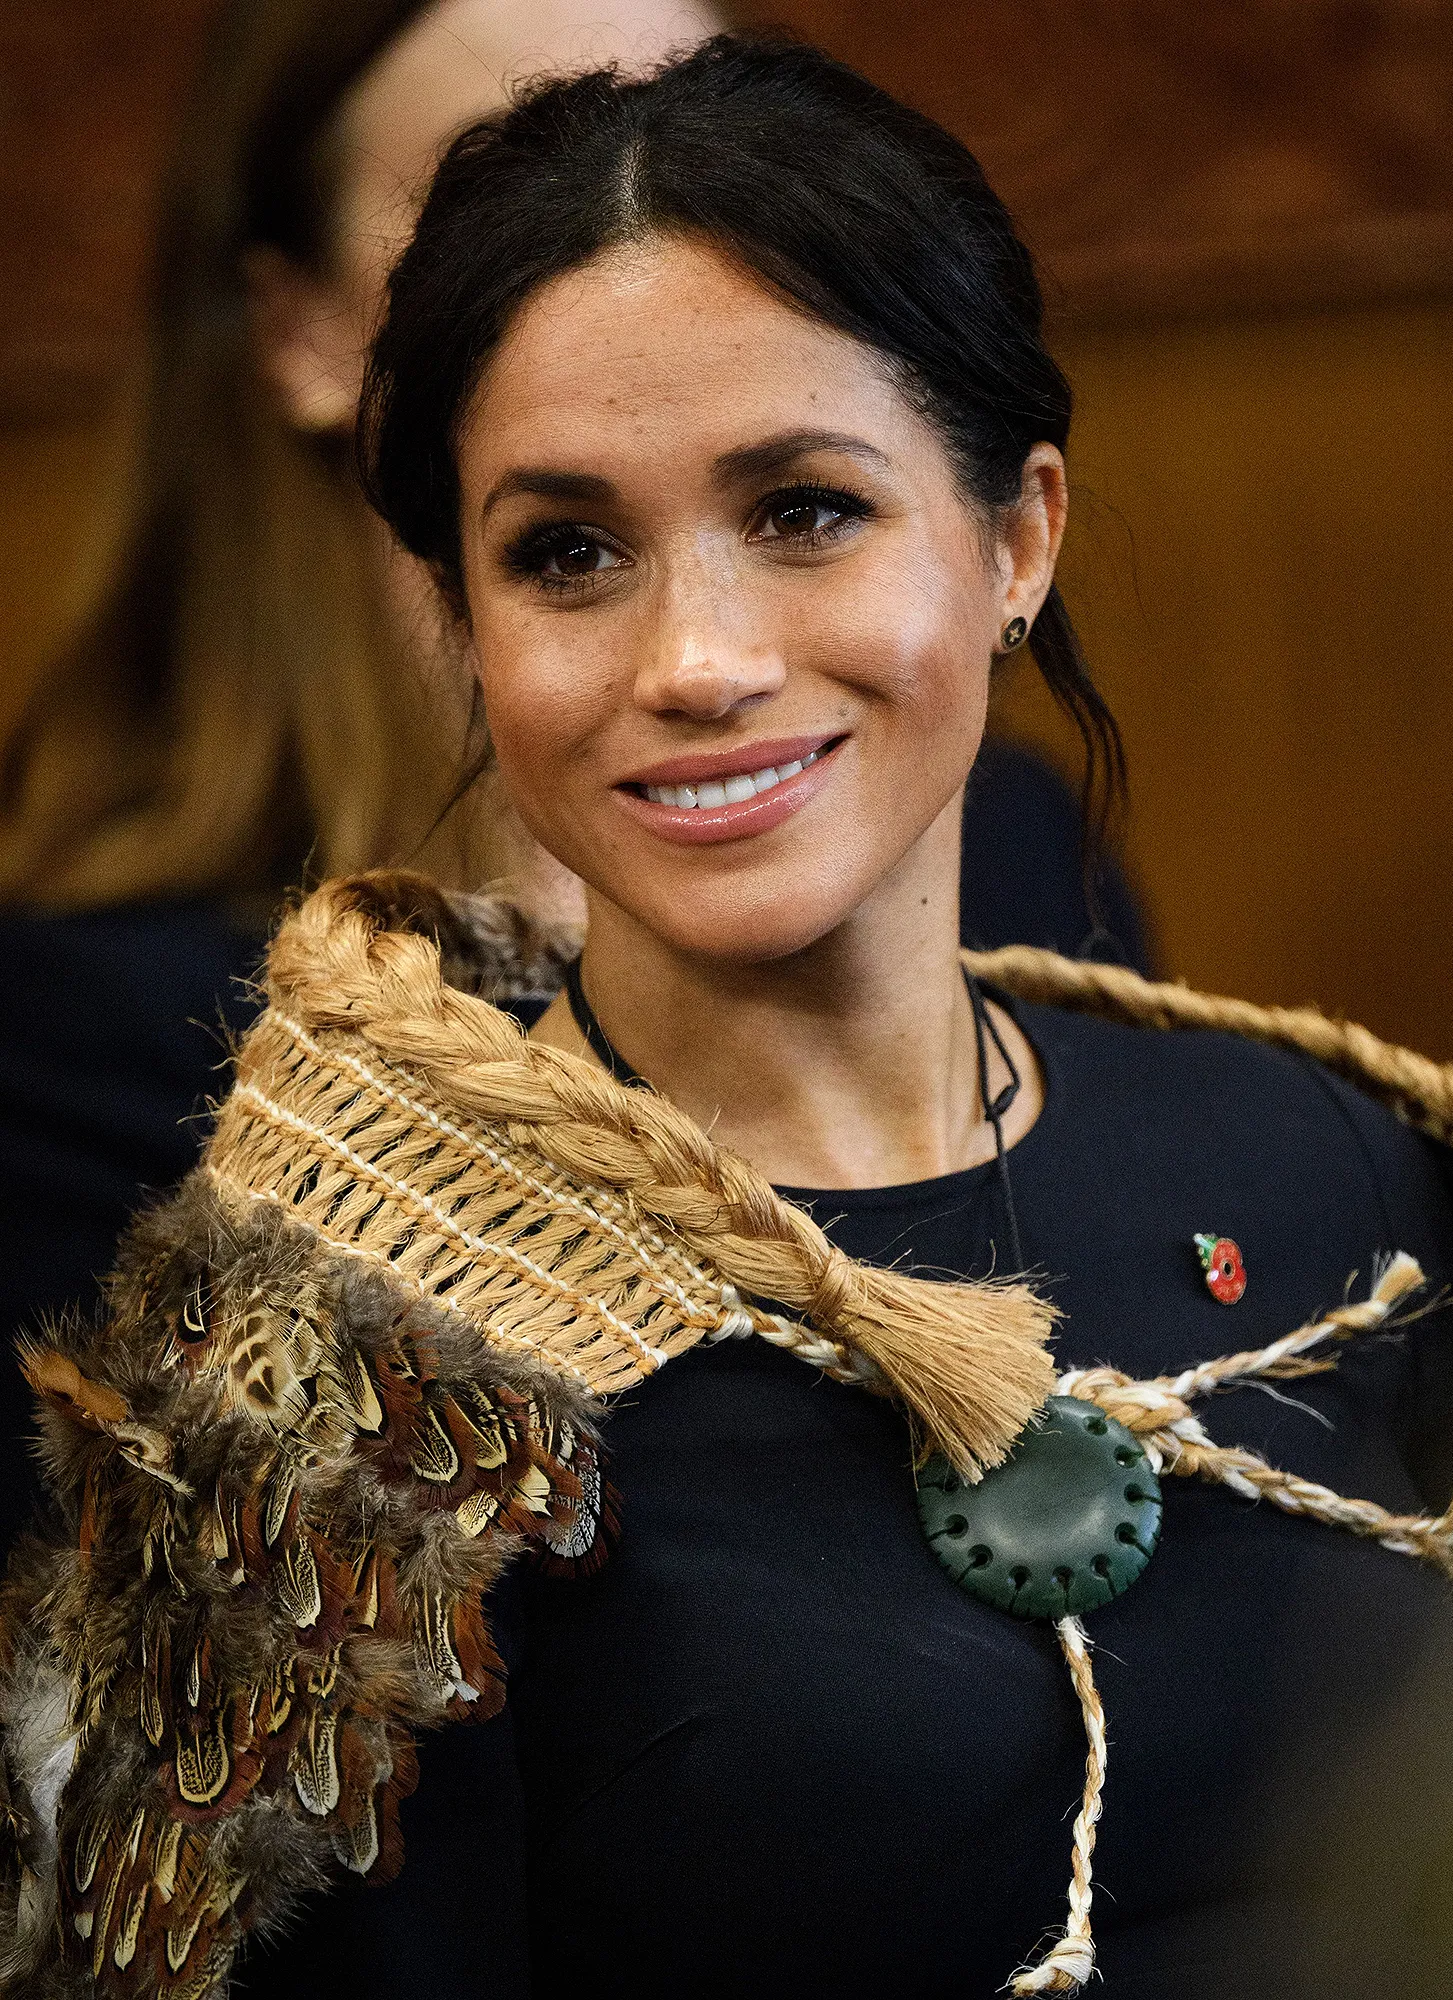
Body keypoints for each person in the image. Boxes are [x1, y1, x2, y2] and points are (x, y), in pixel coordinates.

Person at [13, 36, 1438, 2000]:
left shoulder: (1332, 1168)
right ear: (463, 623)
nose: (694, 658)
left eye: (803, 510)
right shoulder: (342, 1387)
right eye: (567, 554)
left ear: (1014, 538)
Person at [0, 0, 1142, 1556]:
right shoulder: (105, 1034)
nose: (633, 207)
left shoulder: (1008, 846)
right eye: (496, 172)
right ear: (299, 330)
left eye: (688, 120)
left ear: (1022, 538)